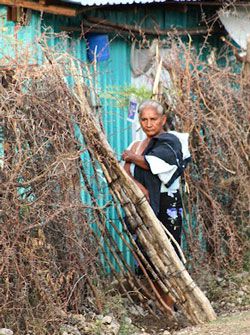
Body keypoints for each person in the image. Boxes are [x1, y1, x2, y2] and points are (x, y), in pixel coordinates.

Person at [121, 99, 191, 309]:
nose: (148, 124)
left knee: (167, 249)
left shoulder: (171, 141)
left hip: (165, 204)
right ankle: (158, 301)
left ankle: (171, 302)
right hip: (141, 206)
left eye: (153, 119)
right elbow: (123, 172)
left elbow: (161, 166)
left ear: (163, 120)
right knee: (147, 251)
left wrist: (134, 158)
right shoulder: (135, 145)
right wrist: (138, 188)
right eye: (144, 119)